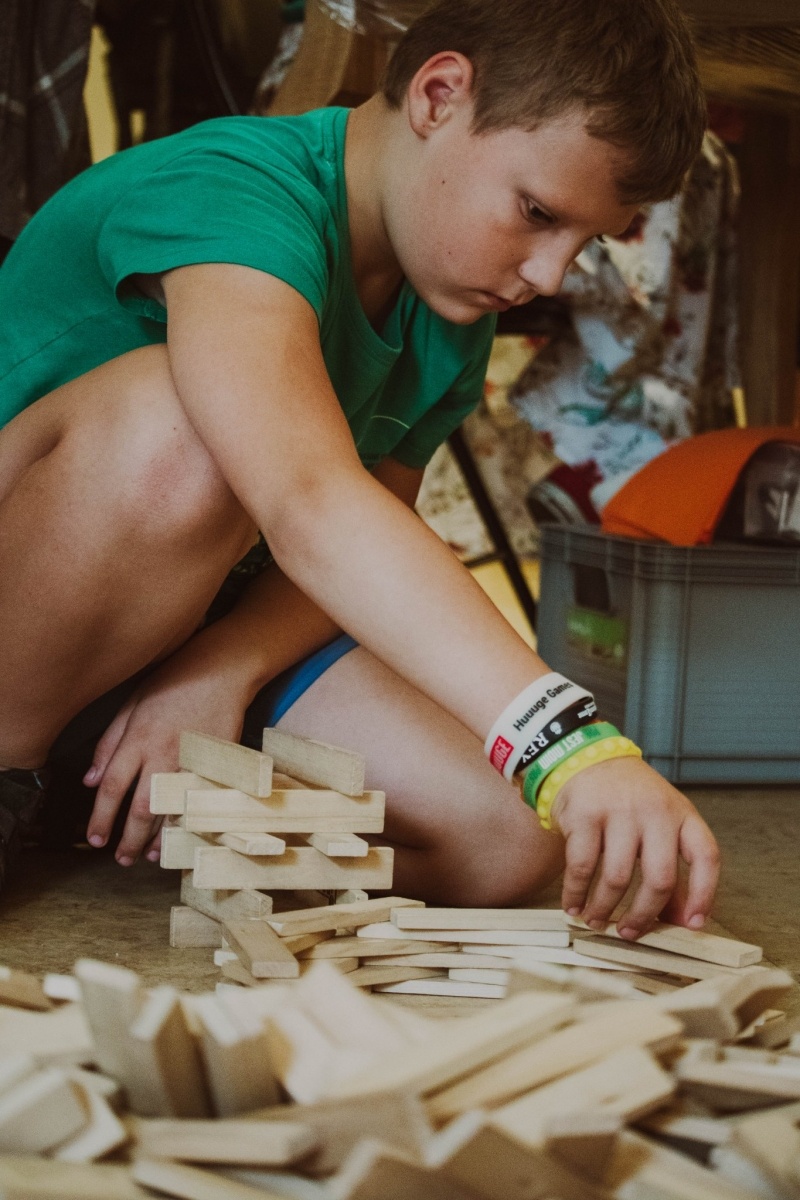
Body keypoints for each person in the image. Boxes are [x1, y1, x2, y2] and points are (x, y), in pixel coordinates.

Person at [0, 0, 720, 938]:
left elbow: (364, 540)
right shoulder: (231, 190)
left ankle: (85, 795)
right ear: (439, 94)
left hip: (172, 636)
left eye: (582, 241)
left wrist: (219, 668)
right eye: (537, 213)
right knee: (187, 435)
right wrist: (567, 745)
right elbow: (309, 504)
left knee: (507, 837)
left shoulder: (446, 308)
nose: (548, 275)